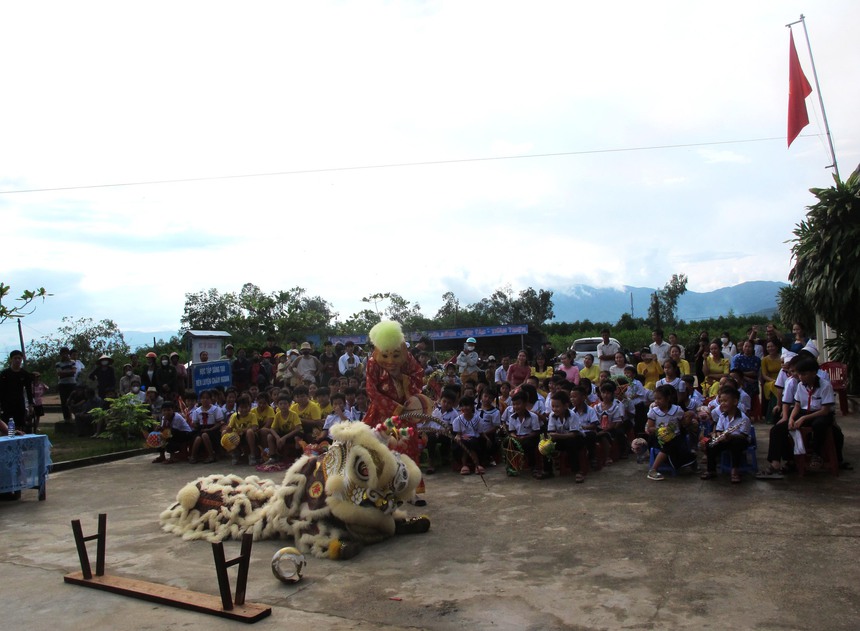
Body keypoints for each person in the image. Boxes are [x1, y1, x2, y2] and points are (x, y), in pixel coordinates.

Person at [363, 321, 433, 428]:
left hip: (407, 409)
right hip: (381, 412)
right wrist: (396, 408)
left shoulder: (407, 357)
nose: (390, 361)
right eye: (385, 355)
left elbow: (418, 375)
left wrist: (401, 377)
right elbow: (371, 390)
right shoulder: (373, 362)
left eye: (395, 355)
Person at [789, 358, 835, 470]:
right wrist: (791, 419)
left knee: (819, 425)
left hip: (821, 414)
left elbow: (825, 410)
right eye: (799, 374)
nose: (801, 377)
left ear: (814, 373)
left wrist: (804, 418)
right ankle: (785, 459)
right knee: (780, 424)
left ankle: (816, 454)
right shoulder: (800, 386)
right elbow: (797, 406)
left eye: (804, 374)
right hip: (806, 412)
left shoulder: (825, 386)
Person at [700, 385, 751, 483]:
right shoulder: (722, 416)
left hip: (739, 441)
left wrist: (730, 436)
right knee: (710, 444)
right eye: (721, 401)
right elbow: (719, 430)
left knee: (736, 443)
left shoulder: (744, 418)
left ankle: (735, 470)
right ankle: (711, 470)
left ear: (735, 402)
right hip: (725, 439)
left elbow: (744, 436)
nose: (722, 404)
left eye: (725, 401)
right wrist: (718, 436)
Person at [645, 384, 696, 480]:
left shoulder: (677, 410)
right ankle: (653, 470)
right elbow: (649, 428)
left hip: (675, 437)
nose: (657, 401)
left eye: (660, 399)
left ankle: (655, 469)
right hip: (659, 437)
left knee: (674, 442)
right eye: (655, 399)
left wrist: (689, 418)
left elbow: (682, 424)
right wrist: (661, 430)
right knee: (669, 444)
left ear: (668, 398)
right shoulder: (653, 411)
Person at [547, 389, 588, 482]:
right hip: (561, 438)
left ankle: (577, 471)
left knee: (571, 444)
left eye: (557, 406)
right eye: (553, 406)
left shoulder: (572, 415)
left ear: (565, 406)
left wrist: (556, 435)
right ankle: (548, 470)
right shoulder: (552, 415)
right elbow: (551, 432)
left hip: (577, 439)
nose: (554, 409)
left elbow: (574, 434)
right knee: (545, 445)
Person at [504, 390, 542, 477]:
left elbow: (536, 432)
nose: (516, 406)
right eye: (514, 404)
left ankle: (533, 467)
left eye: (518, 404)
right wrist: (515, 437)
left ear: (525, 404)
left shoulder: (533, 416)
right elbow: (511, 432)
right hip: (517, 438)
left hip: (530, 437)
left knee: (529, 444)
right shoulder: (512, 417)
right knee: (507, 443)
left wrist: (525, 437)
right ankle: (512, 465)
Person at [262, 393, 302, 464]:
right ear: (277, 405)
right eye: (280, 404)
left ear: (289, 405)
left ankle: (298, 457)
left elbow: (298, 428)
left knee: (297, 437)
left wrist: (284, 437)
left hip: (292, 434)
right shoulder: (277, 415)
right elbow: (272, 429)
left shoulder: (294, 414)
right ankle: (273, 456)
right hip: (282, 433)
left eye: (285, 403)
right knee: (270, 436)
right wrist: (277, 437)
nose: (283, 406)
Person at [0, 350, 35, 432]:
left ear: (22, 359)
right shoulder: (4, 374)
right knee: (7, 425)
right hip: (6, 403)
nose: (17, 360)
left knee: (19, 424)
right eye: (15, 358)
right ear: (11, 359)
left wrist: (30, 404)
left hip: (19, 402)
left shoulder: (25, 374)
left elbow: (29, 390)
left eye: (19, 358)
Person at [188, 389, 225, 464]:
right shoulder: (197, 411)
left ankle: (211, 455)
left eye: (207, 398)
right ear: (200, 400)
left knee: (205, 435)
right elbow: (195, 424)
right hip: (201, 428)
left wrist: (210, 429)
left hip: (213, 429)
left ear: (211, 399)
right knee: (198, 437)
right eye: (203, 398)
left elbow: (220, 423)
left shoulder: (215, 409)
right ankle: (193, 456)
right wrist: (193, 424)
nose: (205, 400)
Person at [152, 400, 194, 464]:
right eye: (164, 410)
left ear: (173, 410)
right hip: (175, 433)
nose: (166, 412)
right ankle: (162, 456)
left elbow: (172, 431)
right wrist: (158, 429)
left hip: (185, 434)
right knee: (158, 436)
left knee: (170, 436)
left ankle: (172, 457)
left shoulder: (177, 417)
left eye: (168, 410)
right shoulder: (164, 418)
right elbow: (164, 429)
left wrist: (162, 430)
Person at [223, 394, 260, 466]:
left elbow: (254, 427)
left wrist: (243, 431)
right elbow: (229, 428)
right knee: (225, 433)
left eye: (246, 407)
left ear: (249, 407)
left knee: (249, 432)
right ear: (238, 408)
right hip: (237, 437)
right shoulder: (234, 416)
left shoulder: (252, 415)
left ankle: (252, 455)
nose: (244, 409)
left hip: (250, 437)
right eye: (242, 407)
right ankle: (234, 453)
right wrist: (226, 430)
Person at [452, 396, 485, 475]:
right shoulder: (458, 419)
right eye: (462, 406)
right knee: (464, 443)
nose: (465, 408)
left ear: (472, 406)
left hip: (475, 438)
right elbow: (458, 433)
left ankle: (477, 464)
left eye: (467, 405)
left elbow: (480, 432)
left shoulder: (478, 419)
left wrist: (486, 438)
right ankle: (464, 465)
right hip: (463, 439)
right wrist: (458, 436)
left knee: (472, 442)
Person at [730, 340, 762, 420]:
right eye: (745, 346)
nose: (747, 348)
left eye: (749, 346)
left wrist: (742, 373)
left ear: (753, 348)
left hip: (752, 381)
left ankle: (752, 413)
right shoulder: (737, 358)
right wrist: (745, 377)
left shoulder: (757, 359)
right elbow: (734, 371)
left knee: (752, 385)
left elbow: (754, 372)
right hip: (739, 380)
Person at [56, 347, 78, 422]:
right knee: (64, 401)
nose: (65, 355)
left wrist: (64, 372)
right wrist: (69, 372)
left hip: (72, 383)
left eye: (66, 353)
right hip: (63, 384)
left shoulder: (72, 362)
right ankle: (67, 417)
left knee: (73, 400)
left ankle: (76, 415)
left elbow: (74, 371)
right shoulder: (58, 364)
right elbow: (59, 373)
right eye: (63, 353)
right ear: (61, 354)